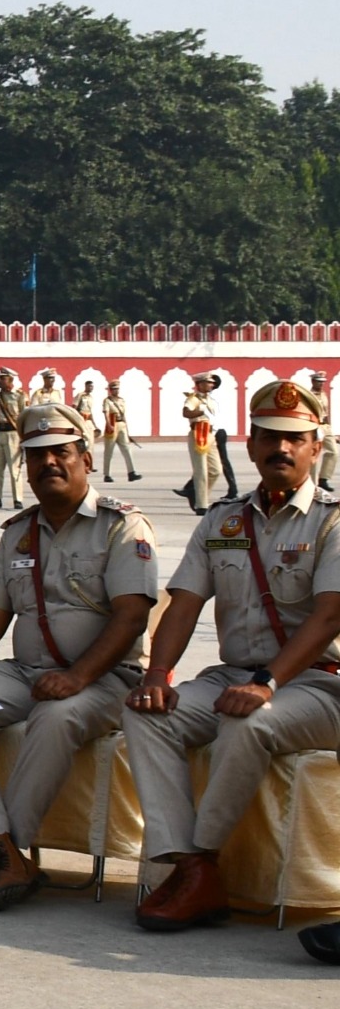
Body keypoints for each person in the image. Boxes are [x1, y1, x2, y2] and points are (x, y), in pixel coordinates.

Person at [0, 403, 156, 911]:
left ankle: (5, 851)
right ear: (24, 465)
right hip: (23, 680)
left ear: (85, 459)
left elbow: (131, 618)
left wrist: (77, 677)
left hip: (102, 683)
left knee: (56, 716)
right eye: (37, 455)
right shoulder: (18, 533)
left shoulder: (122, 527)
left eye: (61, 453)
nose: (49, 462)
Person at [126, 380, 340, 931]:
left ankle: (203, 860)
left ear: (317, 446)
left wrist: (268, 683)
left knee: (248, 725)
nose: (281, 448)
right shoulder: (223, 520)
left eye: (295, 438)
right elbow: (183, 604)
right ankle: (190, 866)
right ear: (250, 444)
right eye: (269, 436)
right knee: (146, 712)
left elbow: (330, 617)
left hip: (318, 685)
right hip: (234, 675)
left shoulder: (333, 520)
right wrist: (156, 673)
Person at [177, 374, 222, 514]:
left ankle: (197, 495)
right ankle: (201, 505)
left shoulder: (211, 400)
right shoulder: (193, 398)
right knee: (201, 470)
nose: (211, 385)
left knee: (215, 470)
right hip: (198, 433)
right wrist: (199, 410)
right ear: (200, 383)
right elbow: (186, 412)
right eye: (208, 382)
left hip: (210, 434)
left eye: (212, 383)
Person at [0, 370, 26, 509]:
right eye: (0, 378)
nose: (1, 381)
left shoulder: (19, 395)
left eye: (4, 378)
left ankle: (18, 499)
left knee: (15, 469)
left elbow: (24, 416)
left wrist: (24, 437)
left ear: (10, 380)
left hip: (13, 434)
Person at [99, 377, 141, 483]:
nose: (116, 391)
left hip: (121, 424)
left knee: (127, 449)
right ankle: (107, 474)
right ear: (110, 390)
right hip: (113, 425)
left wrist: (127, 430)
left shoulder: (121, 400)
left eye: (117, 389)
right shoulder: (107, 401)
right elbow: (106, 414)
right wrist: (109, 425)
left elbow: (123, 414)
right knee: (109, 451)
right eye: (114, 389)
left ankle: (131, 472)